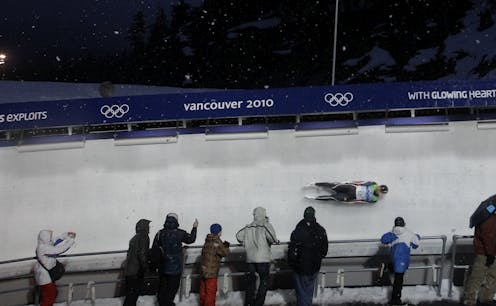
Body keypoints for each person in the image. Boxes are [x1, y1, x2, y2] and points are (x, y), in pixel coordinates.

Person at [152, 213, 198, 306]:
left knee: (162, 288)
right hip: (175, 268)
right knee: (171, 290)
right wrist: (194, 228)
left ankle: (162, 304)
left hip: (163, 267)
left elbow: (154, 249)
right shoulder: (180, 233)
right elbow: (191, 239)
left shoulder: (160, 233)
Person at [236, 207, 279, 306]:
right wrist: (276, 241)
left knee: (251, 282)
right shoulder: (265, 225)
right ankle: (258, 303)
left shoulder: (249, 227)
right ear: (263, 214)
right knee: (264, 281)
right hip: (263, 259)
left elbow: (238, 236)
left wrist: (245, 241)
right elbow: (272, 238)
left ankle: (249, 303)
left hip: (250, 259)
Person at [288, 206, 328, 306]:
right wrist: (318, 257)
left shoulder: (298, 230)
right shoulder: (320, 230)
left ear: (304, 216)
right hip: (314, 266)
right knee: (308, 291)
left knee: (301, 292)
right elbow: (324, 250)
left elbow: (292, 249)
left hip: (300, 266)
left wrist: (292, 262)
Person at [380, 217, 420, 306]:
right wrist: (417, 236)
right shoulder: (409, 234)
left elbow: (383, 239)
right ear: (404, 224)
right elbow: (416, 244)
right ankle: (396, 300)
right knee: (398, 281)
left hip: (394, 259)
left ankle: (387, 268)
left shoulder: (392, 233)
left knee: (396, 278)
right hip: (403, 260)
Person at [34, 230, 76, 306]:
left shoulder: (45, 244)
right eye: (49, 237)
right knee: (49, 295)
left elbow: (55, 241)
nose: (51, 239)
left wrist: (66, 235)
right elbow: (59, 250)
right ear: (45, 238)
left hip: (46, 274)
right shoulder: (43, 248)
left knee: (51, 293)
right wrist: (71, 241)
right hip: (44, 276)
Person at [462, 213, 496, 306]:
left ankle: (486, 298)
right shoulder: (489, 218)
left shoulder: (489, 216)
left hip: (490, 252)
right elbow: (489, 238)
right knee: (477, 277)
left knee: (492, 276)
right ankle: (469, 300)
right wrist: (490, 254)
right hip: (485, 253)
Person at [199, 223, 230, 306]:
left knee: (203, 291)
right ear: (219, 232)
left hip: (204, 270)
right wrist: (226, 246)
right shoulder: (217, 241)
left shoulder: (207, 240)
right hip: (211, 272)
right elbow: (224, 253)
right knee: (211, 293)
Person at [123, 219, 151, 306]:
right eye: (148, 226)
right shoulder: (144, 237)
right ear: (145, 227)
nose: (149, 228)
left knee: (130, 295)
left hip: (129, 270)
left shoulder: (134, 238)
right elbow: (142, 253)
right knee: (133, 295)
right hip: (136, 271)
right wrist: (145, 267)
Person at [307, 181, 388, 203]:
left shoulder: (374, 199)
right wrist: (349, 183)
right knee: (333, 186)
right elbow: (362, 182)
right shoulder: (374, 184)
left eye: (380, 190)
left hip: (350, 197)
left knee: (332, 198)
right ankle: (315, 184)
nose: (378, 189)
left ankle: (315, 198)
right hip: (351, 188)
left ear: (381, 193)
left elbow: (362, 202)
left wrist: (350, 202)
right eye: (379, 187)